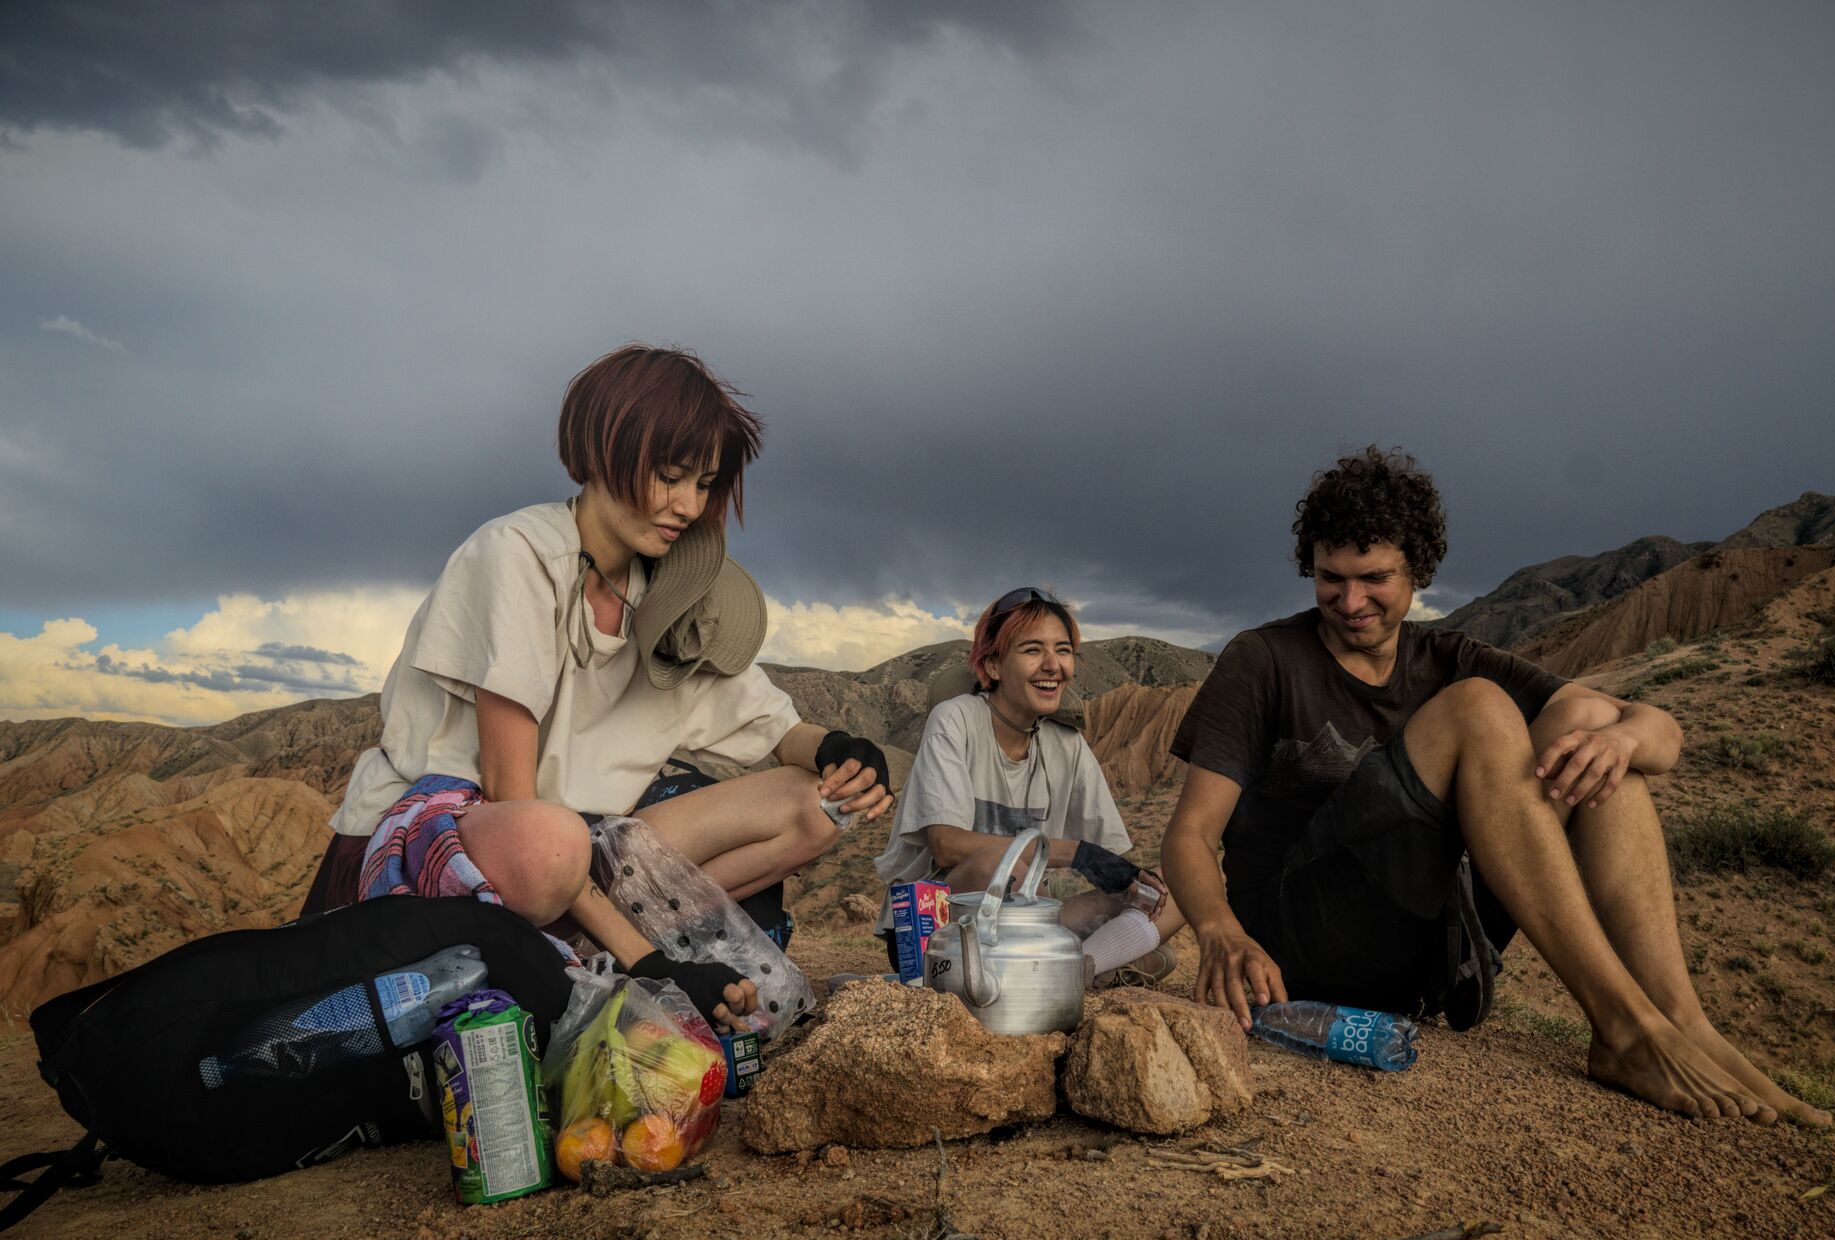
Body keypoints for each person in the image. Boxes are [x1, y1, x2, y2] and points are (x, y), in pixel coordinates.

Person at [1161, 446, 1828, 1124]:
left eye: (1374, 578)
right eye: (1331, 578)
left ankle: (1681, 1019)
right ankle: (1625, 1028)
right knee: (1479, 708)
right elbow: (1189, 833)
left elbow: (1660, 734)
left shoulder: (1447, 656)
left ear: (1417, 571)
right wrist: (1218, 930)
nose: (1350, 601)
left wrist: (1621, 741)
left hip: (1421, 960)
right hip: (1296, 949)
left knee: (1595, 743)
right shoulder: (1265, 660)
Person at [305, 344, 894, 1032]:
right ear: (604, 450)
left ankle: (589, 954)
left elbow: (772, 726)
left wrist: (840, 752)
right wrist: (653, 964)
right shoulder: (519, 554)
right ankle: (625, 960)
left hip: (579, 854)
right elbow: (511, 799)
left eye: (704, 484)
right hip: (458, 845)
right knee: (550, 840)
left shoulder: (666, 595)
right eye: (670, 477)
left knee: (815, 805)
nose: (688, 506)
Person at [875, 587, 1185, 985]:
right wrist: (1076, 853)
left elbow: (1111, 859)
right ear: (993, 665)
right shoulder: (955, 720)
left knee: (1175, 886)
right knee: (998, 867)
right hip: (936, 930)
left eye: (1063, 650)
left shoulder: (1066, 742)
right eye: (1033, 650)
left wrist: (1130, 883)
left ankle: (1078, 970)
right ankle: (1086, 967)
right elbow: (946, 844)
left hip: (1029, 923)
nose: (1053, 665)